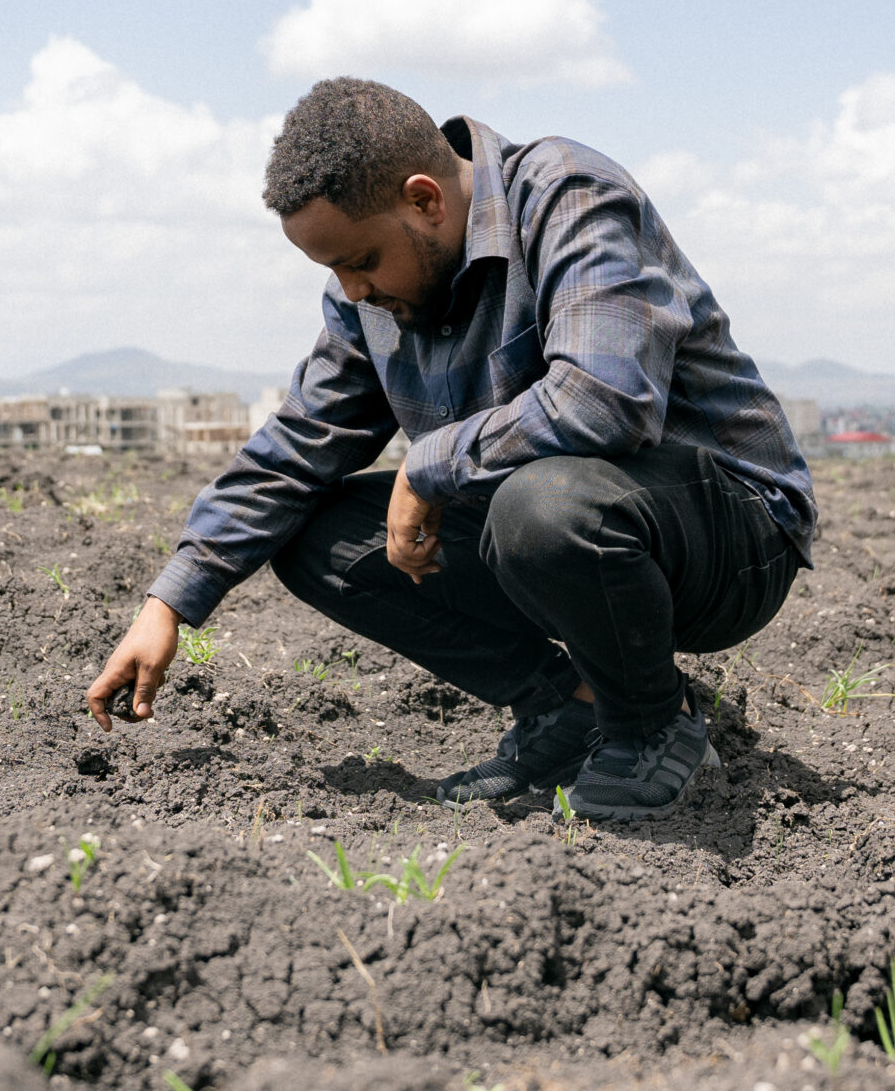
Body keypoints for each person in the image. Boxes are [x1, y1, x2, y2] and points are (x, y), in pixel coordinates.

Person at [84, 78, 815, 821]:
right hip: (562, 531)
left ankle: (653, 728)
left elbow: (605, 400)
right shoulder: (366, 299)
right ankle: (569, 707)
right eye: (333, 270)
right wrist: (168, 603)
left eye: (362, 259)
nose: (353, 288)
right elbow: (299, 446)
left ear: (426, 199)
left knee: (544, 504)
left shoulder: (567, 193)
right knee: (313, 535)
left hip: (729, 534)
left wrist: (432, 461)